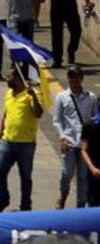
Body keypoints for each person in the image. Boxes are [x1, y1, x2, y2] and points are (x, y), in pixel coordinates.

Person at [0, 69, 43, 212]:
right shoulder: (9, 93)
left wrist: (33, 97)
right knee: (0, 172)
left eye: (9, 77)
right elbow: (5, 115)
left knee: (25, 177)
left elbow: (38, 114)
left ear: (19, 79)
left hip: (26, 144)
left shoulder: (32, 94)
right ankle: (3, 200)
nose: (7, 79)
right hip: (7, 141)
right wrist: (0, 135)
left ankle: (25, 206)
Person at [53, 65, 97, 208]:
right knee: (66, 174)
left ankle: (80, 204)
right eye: (71, 78)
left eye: (76, 77)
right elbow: (57, 120)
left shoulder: (91, 97)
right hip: (70, 142)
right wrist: (62, 137)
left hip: (85, 144)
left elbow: (95, 119)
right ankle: (63, 195)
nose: (73, 81)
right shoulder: (62, 97)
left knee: (83, 177)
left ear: (81, 78)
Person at [81, 110, 100, 207]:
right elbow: (84, 150)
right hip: (95, 173)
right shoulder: (89, 125)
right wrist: (92, 168)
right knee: (93, 202)